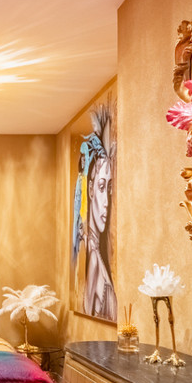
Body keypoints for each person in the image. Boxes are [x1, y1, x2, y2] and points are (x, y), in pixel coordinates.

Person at [73, 101, 117, 320]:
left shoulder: (97, 262)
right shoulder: (90, 259)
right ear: (90, 189)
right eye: (101, 187)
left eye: (109, 188)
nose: (106, 201)